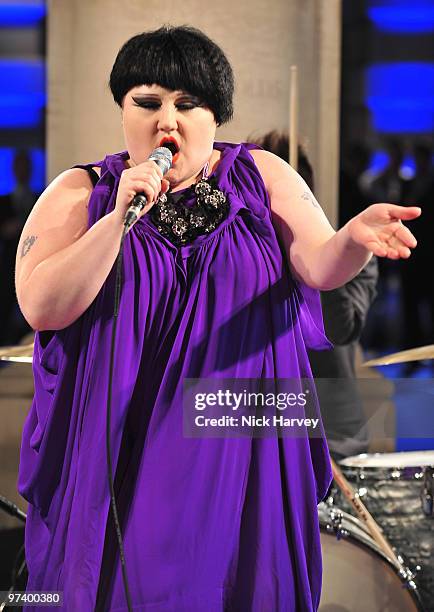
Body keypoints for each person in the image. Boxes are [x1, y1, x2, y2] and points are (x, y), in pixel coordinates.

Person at [15, 26, 420, 612]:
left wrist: (353, 239)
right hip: (129, 443)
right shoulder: (81, 193)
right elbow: (41, 305)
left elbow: (319, 264)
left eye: (188, 105)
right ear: (123, 110)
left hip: (236, 439)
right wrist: (118, 221)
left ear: (216, 115)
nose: (167, 122)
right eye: (147, 103)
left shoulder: (262, 176)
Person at [250, 131, 379, 460]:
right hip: (259, 437)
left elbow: (341, 329)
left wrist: (321, 262)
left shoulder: (353, 254)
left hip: (332, 435)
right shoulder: (240, 260)